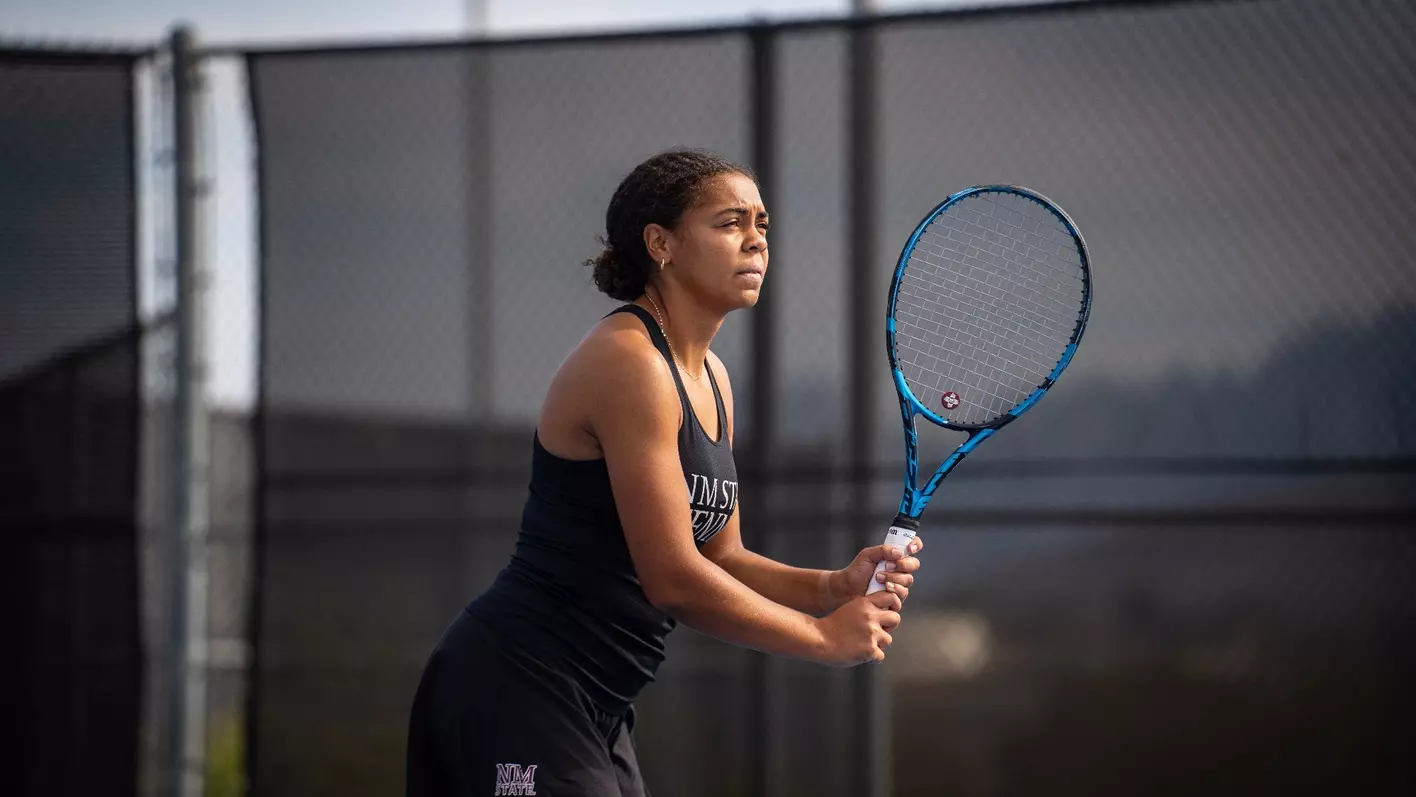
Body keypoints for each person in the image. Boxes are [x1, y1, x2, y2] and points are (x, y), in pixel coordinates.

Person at [405, 148, 925, 797]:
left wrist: (829, 586)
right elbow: (674, 577)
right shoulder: (630, 363)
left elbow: (720, 554)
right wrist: (822, 637)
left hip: (595, 704)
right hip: (514, 684)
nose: (756, 240)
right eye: (730, 222)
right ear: (661, 243)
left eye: (762, 223)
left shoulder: (712, 379)